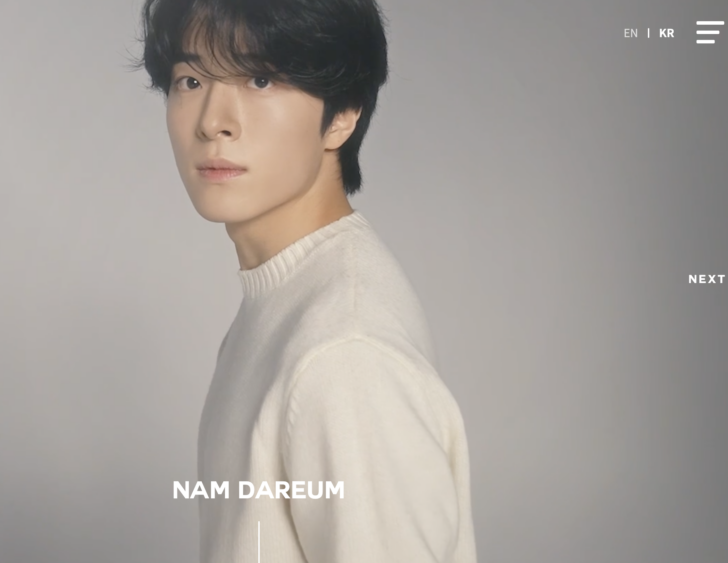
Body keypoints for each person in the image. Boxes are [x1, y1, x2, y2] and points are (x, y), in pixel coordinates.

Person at [131, 1, 478, 561]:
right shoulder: (287, 300)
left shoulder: (343, 352)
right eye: (191, 80)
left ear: (343, 115)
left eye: (260, 79)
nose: (213, 121)